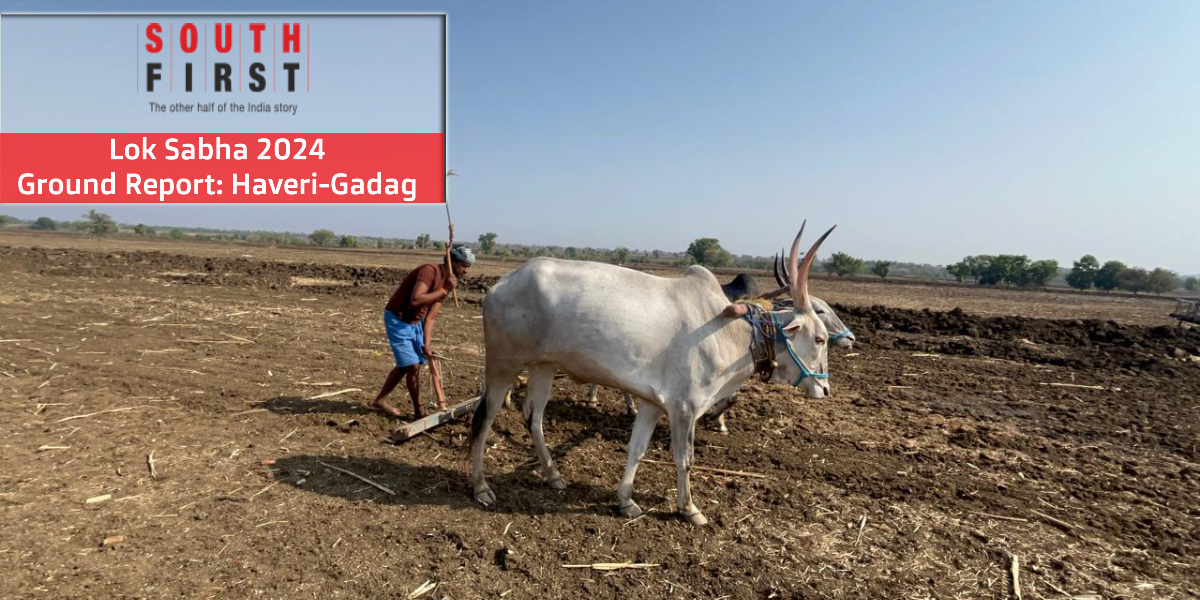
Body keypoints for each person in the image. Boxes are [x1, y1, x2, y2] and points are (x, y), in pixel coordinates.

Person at [371, 244, 475, 418]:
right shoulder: (429, 271)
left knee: (408, 364)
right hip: (398, 319)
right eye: (464, 266)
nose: (466, 271)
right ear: (453, 262)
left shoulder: (448, 283)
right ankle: (419, 411)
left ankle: (379, 401)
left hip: (416, 323)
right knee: (412, 365)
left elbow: (431, 317)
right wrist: (444, 290)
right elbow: (416, 299)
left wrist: (427, 343)